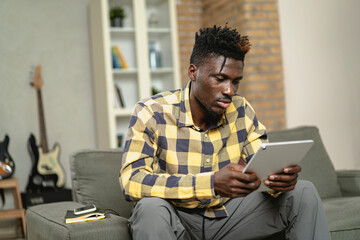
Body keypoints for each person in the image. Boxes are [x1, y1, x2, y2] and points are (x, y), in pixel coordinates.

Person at [120, 25, 330, 240]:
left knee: (303, 192)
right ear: (193, 72)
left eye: (235, 81)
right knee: (150, 209)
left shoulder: (241, 110)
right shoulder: (151, 112)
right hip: (177, 216)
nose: (229, 90)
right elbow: (132, 181)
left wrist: (277, 182)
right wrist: (210, 184)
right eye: (220, 79)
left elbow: (261, 168)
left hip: (231, 217)